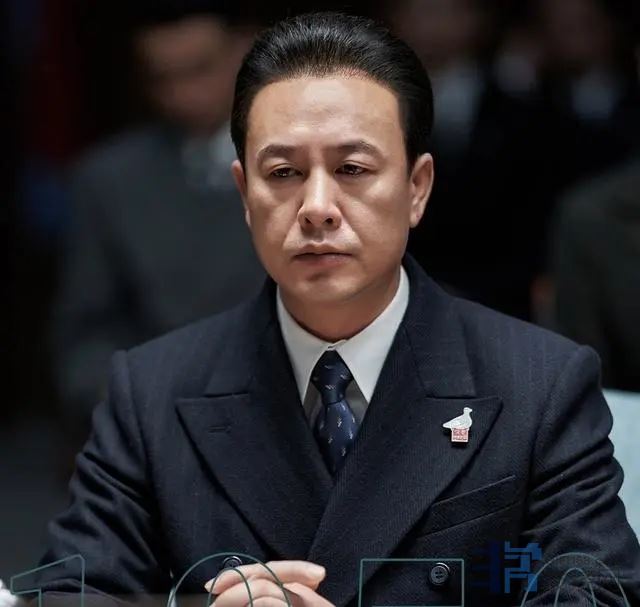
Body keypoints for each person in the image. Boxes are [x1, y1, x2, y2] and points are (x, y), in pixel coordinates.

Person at [35, 12, 640, 607]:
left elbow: (600, 591)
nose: (317, 207)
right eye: (283, 172)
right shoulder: (152, 390)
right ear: (245, 193)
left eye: (352, 169)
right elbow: (69, 590)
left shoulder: (538, 381)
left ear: (416, 188)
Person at [51, 6, 265, 460]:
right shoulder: (109, 181)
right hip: (156, 427)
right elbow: (85, 334)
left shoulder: (313, 161)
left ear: (245, 50)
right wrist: (130, 405)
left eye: (200, 68)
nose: (183, 95)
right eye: (163, 78)